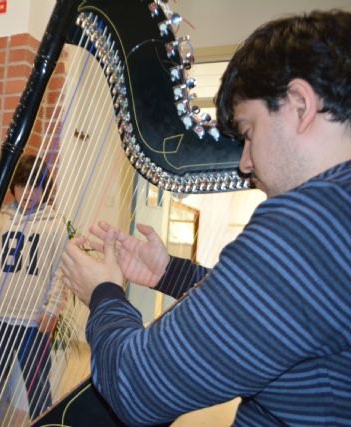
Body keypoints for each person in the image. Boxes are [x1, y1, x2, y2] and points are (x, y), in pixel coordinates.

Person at [60, 9, 351, 426]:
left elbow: (137, 389)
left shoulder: (310, 224)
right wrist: (169, 273)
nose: (246, 164)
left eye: (249, 133)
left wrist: (104, 293)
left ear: (300, 105)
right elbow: (293, 316)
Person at [0, 155, 64, 423]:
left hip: (34, 322)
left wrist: (52, 307)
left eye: (36, 187)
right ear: (13, 187)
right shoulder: (0, 220)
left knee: (38, 389)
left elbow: (61, 272)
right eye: (23, 186)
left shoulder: (56, 224)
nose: (28, 193)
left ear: (44, 190)